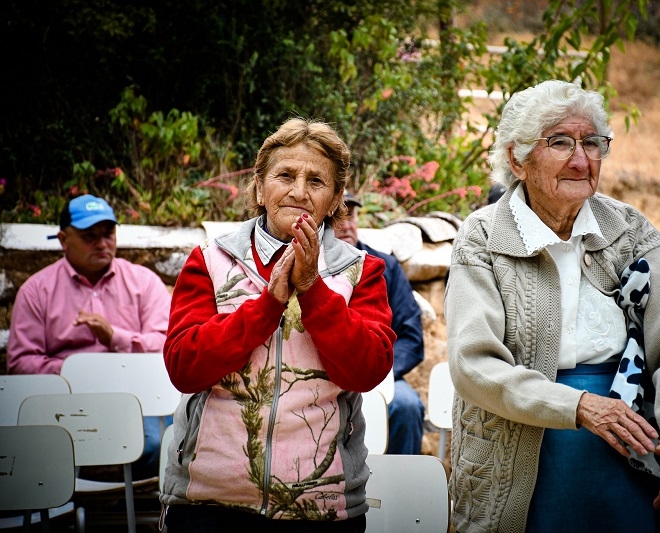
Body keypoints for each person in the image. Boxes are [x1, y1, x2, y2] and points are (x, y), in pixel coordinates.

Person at [444, 80, 660, 533]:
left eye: (592, 142)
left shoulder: (630, 229)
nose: (580, 159)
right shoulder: (483, 237)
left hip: (630, 445)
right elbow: (473, 363)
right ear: (517, 159)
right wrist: (580, 406)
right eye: (559, 142)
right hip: (524, 442)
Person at [159, 117, 395, 532]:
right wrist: (268, 305)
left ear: (336, 197)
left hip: (322, 504)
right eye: (285, 175)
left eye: (317, 181)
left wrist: (314, 291)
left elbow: (368, 370)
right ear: (258, 187)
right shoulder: (211, 261)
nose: (299, 192)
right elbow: (184, 366)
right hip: (209, 501)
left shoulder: (362, 271)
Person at [6, 193, 172, 479]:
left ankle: (119, 504)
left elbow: (167, 347)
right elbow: (20, 362)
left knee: (157, 444)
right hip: (64, 403)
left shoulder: (144, 283)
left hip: (136, 398)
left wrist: (114, 337)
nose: (101, 242)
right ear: (63, 239)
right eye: (89, 235)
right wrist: (79, 372)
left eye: (108, 233)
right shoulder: (36, 291)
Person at [335, 191, 426, 454]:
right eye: (337, 216)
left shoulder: (386, 267)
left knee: (407, 405)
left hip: (383, 375)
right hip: (327, 379)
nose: (346, 224)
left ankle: (401, 491)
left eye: (350, 215)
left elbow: (411, 336)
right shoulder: (310, 269)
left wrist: (379, 377)